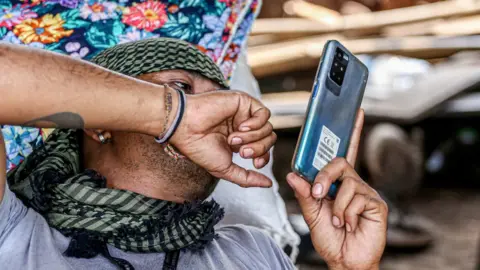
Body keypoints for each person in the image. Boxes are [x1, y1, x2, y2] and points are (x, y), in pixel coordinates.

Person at [0, 40, 388, 269]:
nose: (213, 115)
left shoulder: (252, 251)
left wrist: (350, 267)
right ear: (99, 124)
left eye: (219, 103)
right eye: (180, 87)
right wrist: (173, 113)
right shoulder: (16, 236)